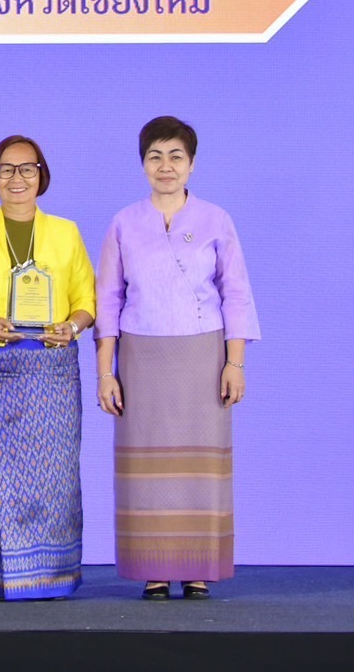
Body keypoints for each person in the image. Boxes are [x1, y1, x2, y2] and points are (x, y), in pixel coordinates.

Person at [96, 116, 259, 601]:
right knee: (145, 466)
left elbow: (236, 293)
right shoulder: (124, 223)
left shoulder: (216, 219)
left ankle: (197, 567)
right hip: (140, 356)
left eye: (176, 157)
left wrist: (234, 363)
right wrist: (106, 372)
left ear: (191, 164)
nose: (165, 167)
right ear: (142, 164)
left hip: (202, 354)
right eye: (155, 157)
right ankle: (154, 568)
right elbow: (108, 300)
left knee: (201, 467)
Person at [0, 135, 96, 601]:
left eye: (27, 168)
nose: (17, 178)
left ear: (42, 175)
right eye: (6, 169)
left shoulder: (67, 232)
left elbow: (86, 298)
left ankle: (51, 576)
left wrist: (72, 327)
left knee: (54, 478)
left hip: (51, 369)